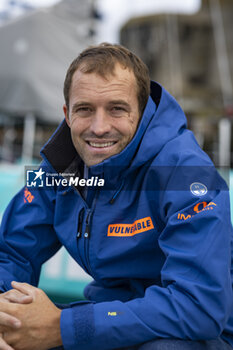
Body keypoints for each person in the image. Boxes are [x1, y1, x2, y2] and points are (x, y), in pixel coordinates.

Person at [0, 43, 232, 350]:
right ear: (67, 114)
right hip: (105, 321)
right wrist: (7, 315)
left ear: (142, 110)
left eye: (116, 109)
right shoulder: (57, 166)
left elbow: (198, 307)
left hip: (196, 335)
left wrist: (62, 327)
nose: (99, 128)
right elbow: (13, 252)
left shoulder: (186, 171)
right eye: (85, 109)